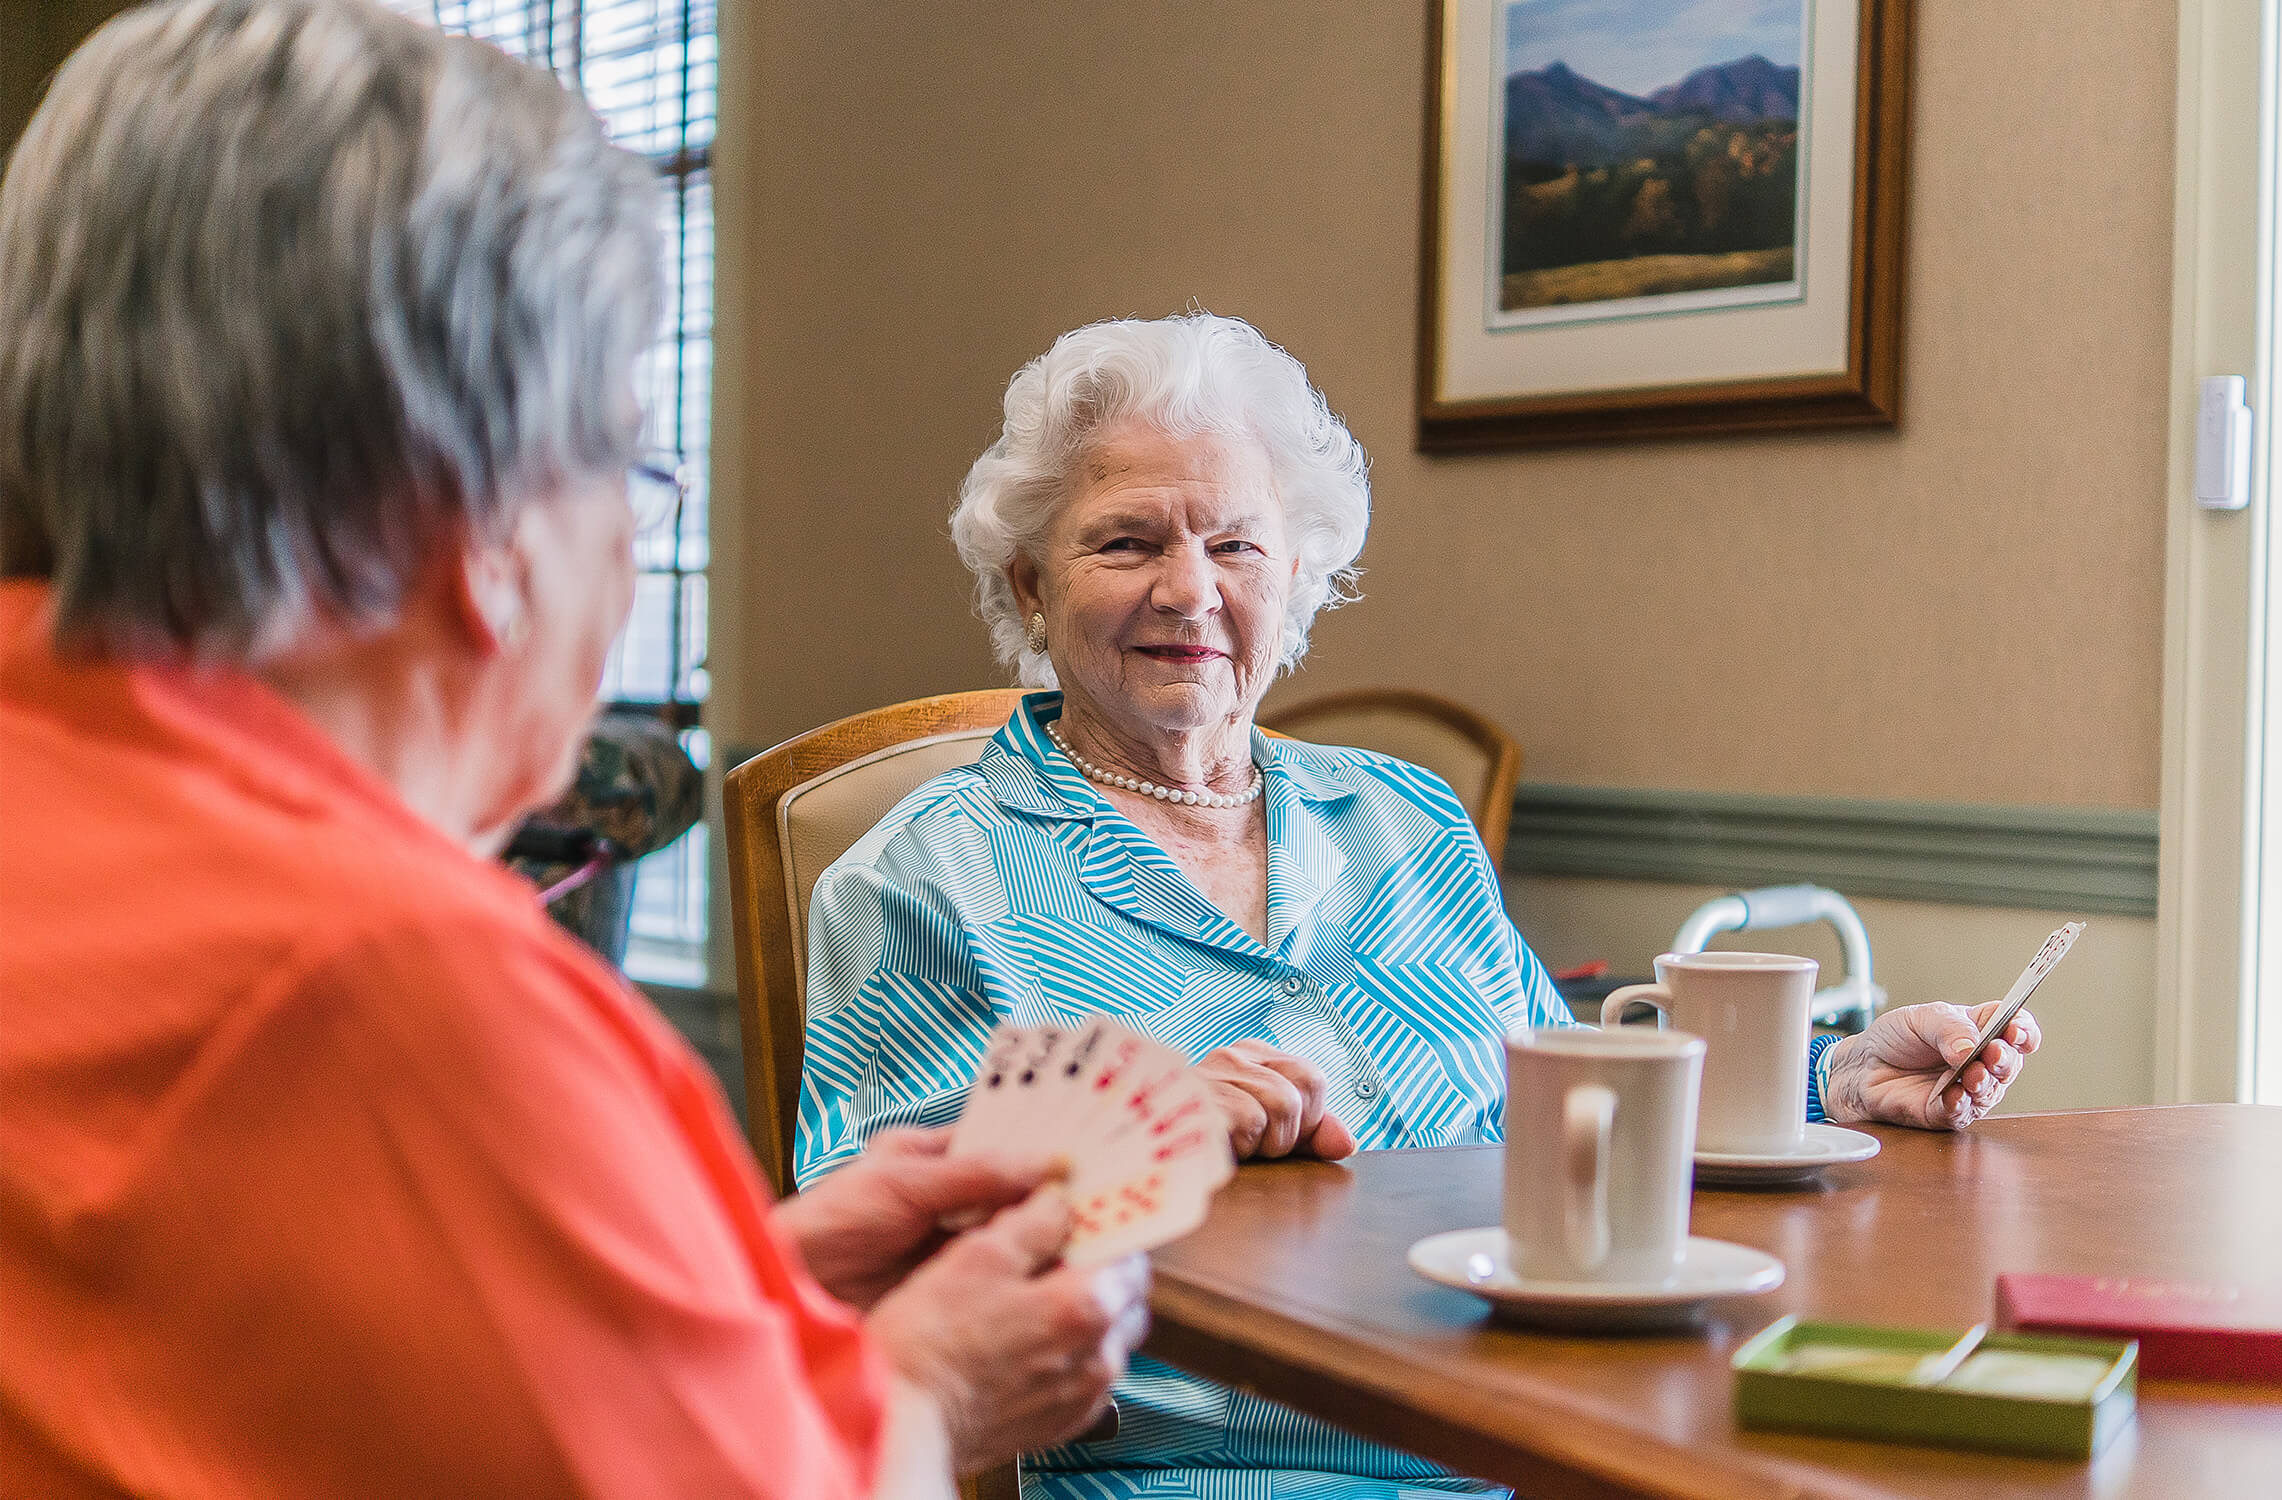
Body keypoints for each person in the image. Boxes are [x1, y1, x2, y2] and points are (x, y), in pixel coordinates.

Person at [0, 4, 1145, 1496]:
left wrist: (725, 1293)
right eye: (630, 461)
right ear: (472, 525)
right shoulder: (390, 988)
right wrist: (926, 1391)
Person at [796, 313, 2045, 1498]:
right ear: (1026, 586)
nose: (1189, 590)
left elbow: (1556, 1087)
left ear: (1293, 576)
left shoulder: (1404, 818)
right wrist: (1141, 1135)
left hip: (1530, 1437)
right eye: (1126, 542)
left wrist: (1826, 1080)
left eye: (1233, 544)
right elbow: (856, 1285)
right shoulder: (927, 877)